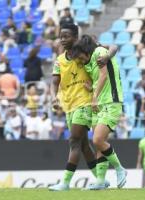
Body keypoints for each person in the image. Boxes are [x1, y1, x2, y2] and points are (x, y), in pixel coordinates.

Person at [49, 24, 103, 191]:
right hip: (68, 106)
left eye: (66, 36)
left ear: (75, 37)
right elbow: (54, 82)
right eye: (61, 36)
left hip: (84, 103)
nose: (63, 39)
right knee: (84, 145)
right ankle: (100, 180)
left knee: (73, 141)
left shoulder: (86, 53)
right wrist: (53, 97)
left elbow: (103, 58)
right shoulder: (59, 60)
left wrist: (93, 87)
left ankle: (65, 182)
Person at [71, 35, 127, 190]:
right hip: (99, 104)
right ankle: (101, 181)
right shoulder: (89, 63)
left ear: (85, 50)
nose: (81, 61)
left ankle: (119, 169)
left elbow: (104, 75)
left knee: (97, 140)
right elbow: (98, 79)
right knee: (99, 145)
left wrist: (94, 97)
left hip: (111, 101)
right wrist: (92, 89)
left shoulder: (100, 52)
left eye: (81, 57)